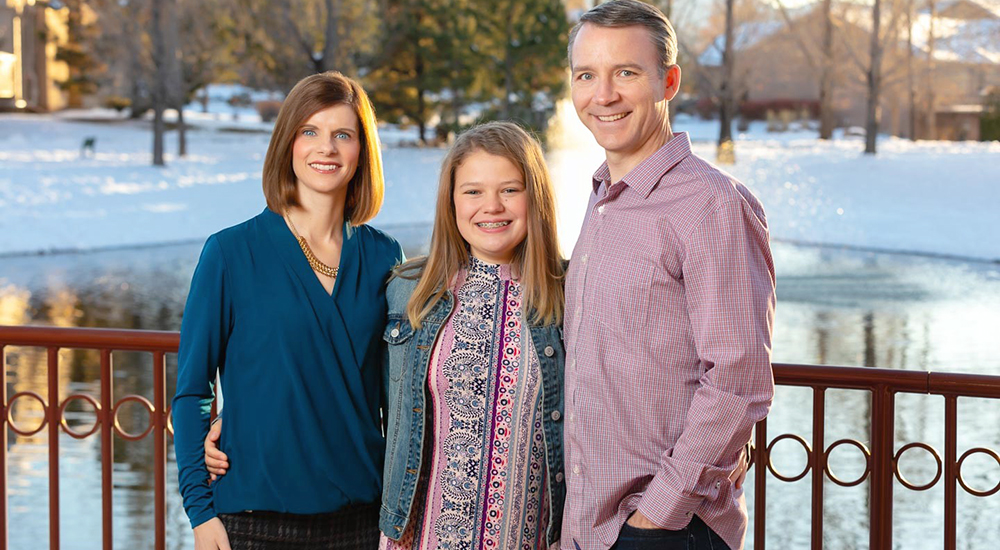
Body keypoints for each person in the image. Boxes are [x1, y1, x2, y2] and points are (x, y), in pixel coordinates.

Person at [207, 121, 569, 549]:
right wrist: (252, 419)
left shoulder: (573, 294)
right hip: (417, 536)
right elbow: (348, 374)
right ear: (451, 201)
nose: (491, 206)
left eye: (510, 189)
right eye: (472, 191)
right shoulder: (410, 289)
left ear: (536, 197)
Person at [562, 1, 776, 549]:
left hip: (666, 531)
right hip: (591, 526)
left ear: (669, 81)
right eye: (587, 75)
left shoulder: (711, 204)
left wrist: (655, 517)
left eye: (626, 73)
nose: (602, 95)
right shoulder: (602, 198)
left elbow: (737, 381)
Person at [173, 71, 403, 550]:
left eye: (343, 134)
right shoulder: (230, 254)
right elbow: (193, 390)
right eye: (310, 132)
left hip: (361, 523)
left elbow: (396, 396)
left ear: (362, 150)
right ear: (287, 143)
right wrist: (200, 512)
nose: (327, 148)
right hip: (251, 522)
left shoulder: (385, 258)